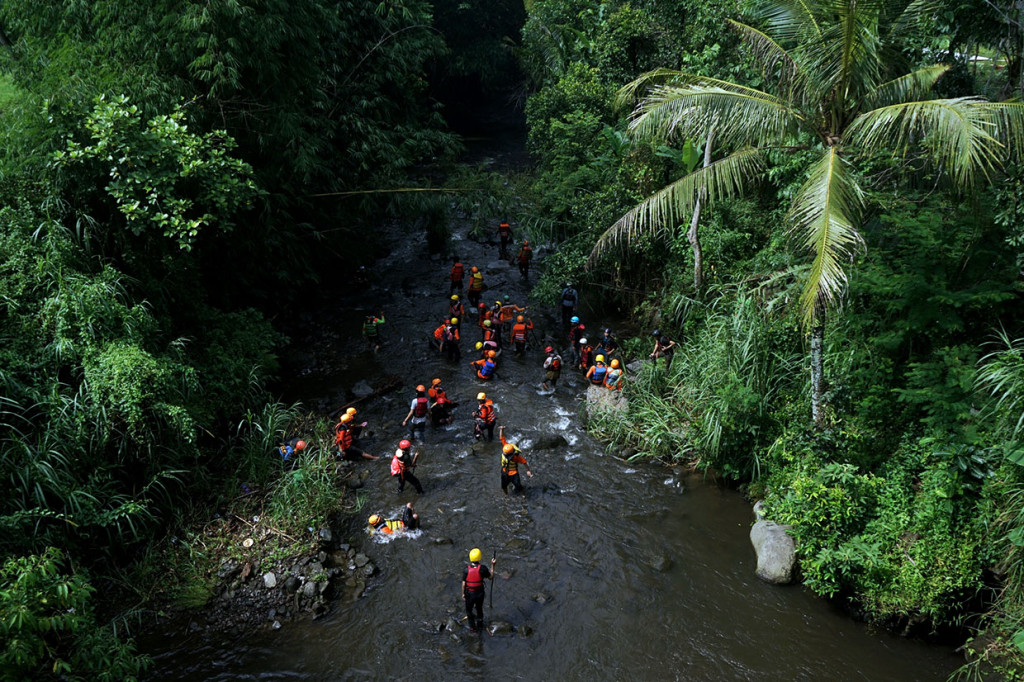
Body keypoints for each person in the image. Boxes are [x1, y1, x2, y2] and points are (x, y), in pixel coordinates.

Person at [462, 548, 497, 632]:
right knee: (479, 608)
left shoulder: (466, 570)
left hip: (469, 594)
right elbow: (491, 577)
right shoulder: (483, 568)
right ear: (479, 557)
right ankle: (480, 624)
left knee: (469, 611)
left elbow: (463, 583)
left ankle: (472, 627)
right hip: (479, 593)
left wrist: (463, 594)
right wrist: (492, 565)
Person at [499, 426, 533, 496]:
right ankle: (506, 495)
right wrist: (501, 429)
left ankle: (523, 495)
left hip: (514, 474)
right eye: (503, 452)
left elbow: (524, 462)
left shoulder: (515, 457)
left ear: (510, 453)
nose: (503, 453)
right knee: (503, 486)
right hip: (505, 472)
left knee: (519, 486)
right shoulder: (506, 446)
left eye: (505, 453)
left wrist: (528, 471)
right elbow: (502, 437)